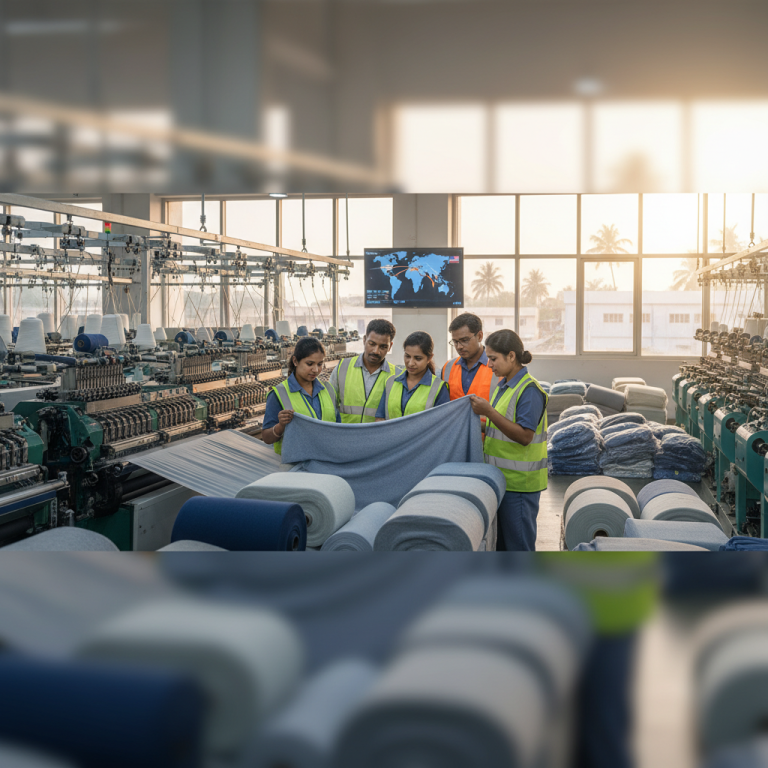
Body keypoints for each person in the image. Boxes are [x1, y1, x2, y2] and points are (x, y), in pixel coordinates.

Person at [468, 329, 547, 550]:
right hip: (503, 480)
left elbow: (524, 436)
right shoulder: (505, 386)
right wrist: (474, 422)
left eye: (493, 359)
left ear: (511, 356)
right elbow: (499, 427)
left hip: (520, 485)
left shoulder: (529, 391)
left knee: (518, 546)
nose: (489, 365)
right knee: (503, 545)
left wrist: (489, 412)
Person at [261, 337, 338, 454]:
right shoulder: (279, 394)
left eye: (320, 364)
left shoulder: (328, 390)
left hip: (325, 460)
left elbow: (338, 428)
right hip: (294, 465)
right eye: (309, 364)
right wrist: (280, 426)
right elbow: (267, 438)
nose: (316, 370)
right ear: (295, 361)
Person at [329, 319, 400, 423]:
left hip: (377, 438)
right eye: (372, 344)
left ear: (390, 346)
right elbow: (328, 404)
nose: (376, 351)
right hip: (345, 436)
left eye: (383, 347)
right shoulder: (342, 367)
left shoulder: (397, 376)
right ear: (364, 339)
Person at [375, 331, 449, 420]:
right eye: (407, 356)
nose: (410, 363)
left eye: (418, 358)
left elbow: (442, 425)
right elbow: (380, 418)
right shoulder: (391, 382)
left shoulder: (438, 388)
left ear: (429, 358)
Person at [442, 312, 498, 401]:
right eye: (455, 342)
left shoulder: (497, 366)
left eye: (464, 340)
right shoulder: (448, 368)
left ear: (479, 336)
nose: (459, 346)